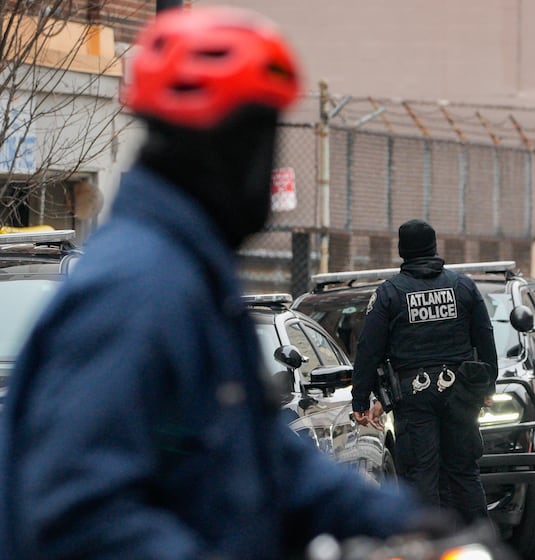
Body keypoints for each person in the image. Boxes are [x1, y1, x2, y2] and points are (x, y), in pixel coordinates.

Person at [0, 7, 427, 558]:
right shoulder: (140, 288)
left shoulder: (188, 277)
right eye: (262, 139)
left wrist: (400, 517)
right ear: (227, 148)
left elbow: (257, 455)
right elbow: (81, 511)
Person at [351, 219, 499, 524]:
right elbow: (485, 337)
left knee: (422, 477)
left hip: (414, 395)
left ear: (402, 251)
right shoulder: (463, 286)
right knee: (464, 474)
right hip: (461, 393)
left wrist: (360, 400)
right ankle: (480, 547)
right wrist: (487, 388)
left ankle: (430, 548)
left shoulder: (390, 293)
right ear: (433, 246)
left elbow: (368, 349)